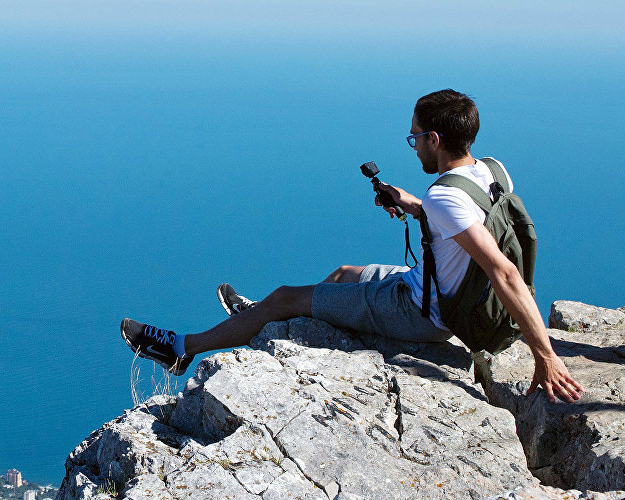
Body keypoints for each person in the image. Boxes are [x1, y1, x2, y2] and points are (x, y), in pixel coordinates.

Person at [121, 89, 583, 403]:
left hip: (421, 310)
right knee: (343, 272)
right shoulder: (490, 171)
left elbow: (503, 271)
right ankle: (261, 317)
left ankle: (184, 346)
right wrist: (413, 206)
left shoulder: (445, 196)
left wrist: (545, 355)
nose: (414, 147)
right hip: (432, 288)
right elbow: (465, 225)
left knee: (286, 296)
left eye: (415, 138)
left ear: (435, 139)